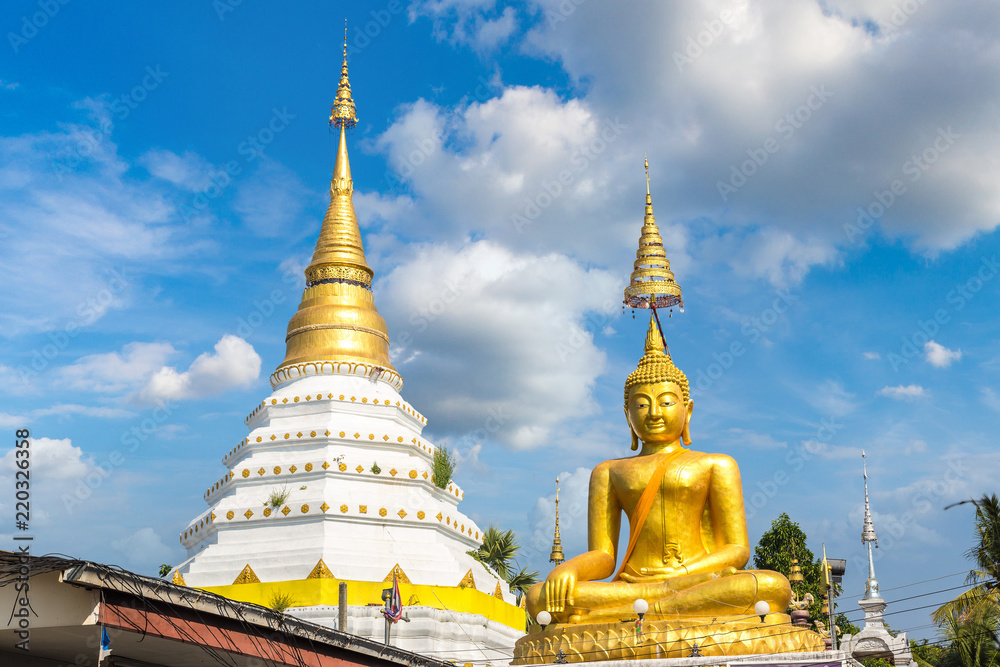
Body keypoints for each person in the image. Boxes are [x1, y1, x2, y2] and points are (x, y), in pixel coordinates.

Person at [526, 317, 791, 623]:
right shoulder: (609, 471)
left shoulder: (716, 464)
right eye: (641, 405)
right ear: (628, 415)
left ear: (687, 409)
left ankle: (629, 615)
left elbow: (737, 549)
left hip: (697, 580)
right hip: (636, 586)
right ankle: (647, 607)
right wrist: (569, 569)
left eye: (666, 402)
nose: (653, 413)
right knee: (540, 597)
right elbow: (604, 557)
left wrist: (682, 576)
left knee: (772, 587)